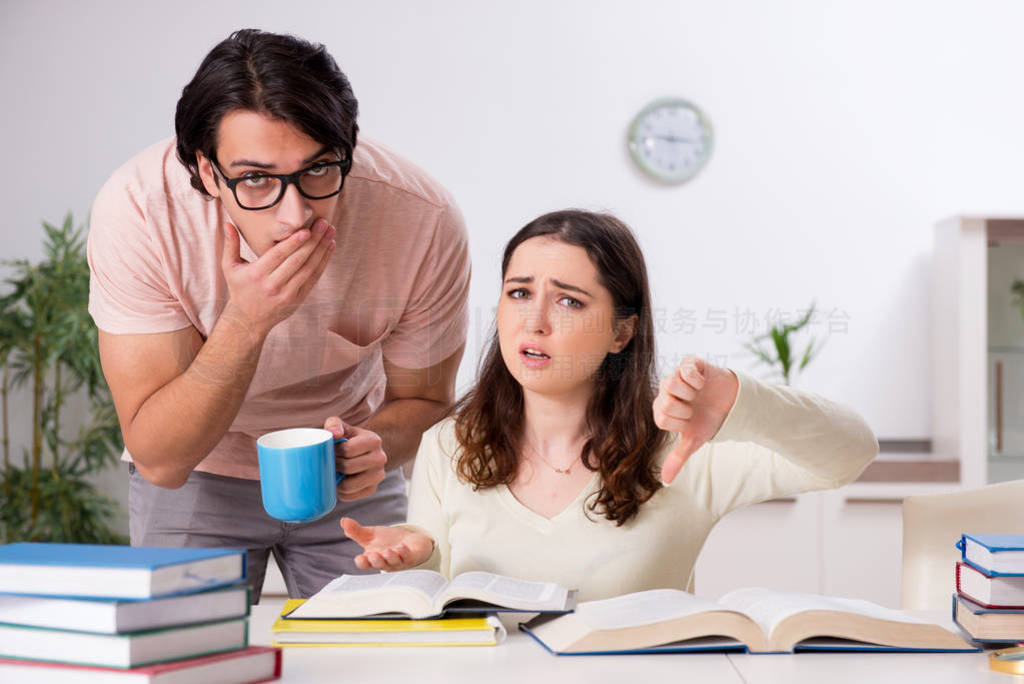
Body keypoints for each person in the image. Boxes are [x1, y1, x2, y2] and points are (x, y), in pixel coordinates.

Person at [87, 29, 469, 601]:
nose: (295, 214)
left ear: (348, 148)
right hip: (199, 471)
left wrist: (376, 444)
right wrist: (247, 322)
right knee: (193, 659)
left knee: (382, 652)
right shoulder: (140, 211)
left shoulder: (422, 217)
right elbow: (161, 459)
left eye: (318, 170)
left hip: (350, 483)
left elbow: (428, 401)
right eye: (257, 179)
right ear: (209, 173)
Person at [340, 209, 877, 602]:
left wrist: (743, 398)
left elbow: (850, 453)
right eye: (519, 292)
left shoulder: (681, 447)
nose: (535, 321)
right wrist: (412, 552)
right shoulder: (449, 444)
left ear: (621, 331)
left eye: (569, 300)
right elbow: (440, 569)